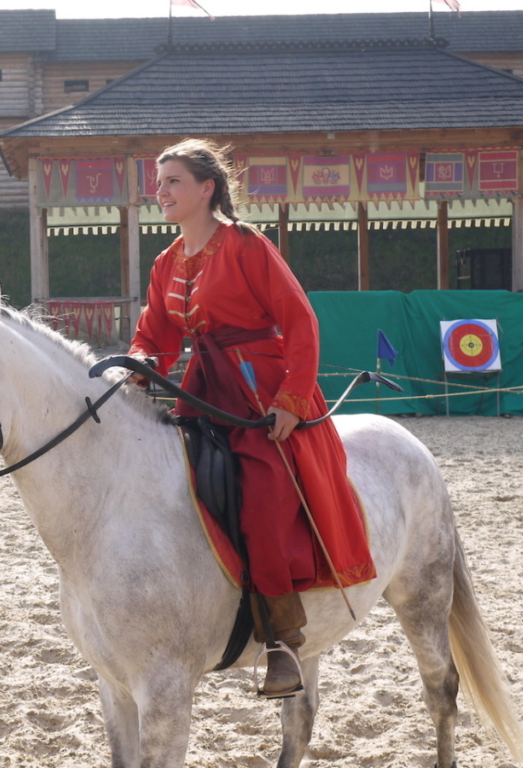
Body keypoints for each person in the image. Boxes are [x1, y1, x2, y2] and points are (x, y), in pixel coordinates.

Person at [128, 138, 377, 698]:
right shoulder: (166, 261)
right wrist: (140, 366)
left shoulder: (247, 245)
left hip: (260, 390)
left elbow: (301, 320)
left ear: (207, 188)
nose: (160, 191)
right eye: (158, 182)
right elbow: (156, 335)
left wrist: (291, 399)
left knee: (263, 495)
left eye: (172, 181)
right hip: (203, 388)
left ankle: (282, 640)